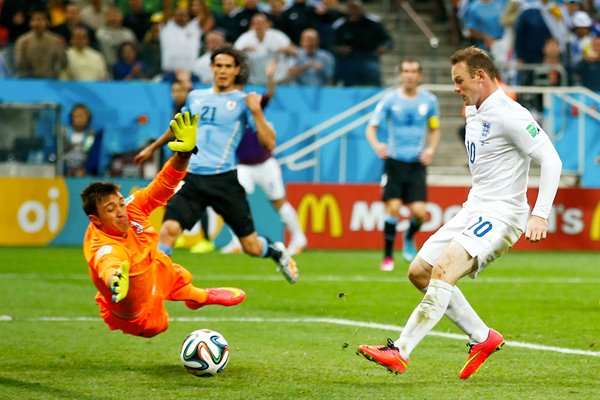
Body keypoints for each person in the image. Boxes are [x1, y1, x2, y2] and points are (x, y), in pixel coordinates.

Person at [357, 46, 562, 379]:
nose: (455, 88)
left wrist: (540, 214)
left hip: (502, 214)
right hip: (474, 207)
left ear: (480, 76)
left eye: (459, 80)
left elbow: (551, 160)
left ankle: (400, 350)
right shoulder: (474, 109)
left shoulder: (511, 114)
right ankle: (483, 337)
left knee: (444, 269)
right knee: (419, 272)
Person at [134, 46, 299, 284]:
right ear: (211, 68)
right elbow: (178, 125)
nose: (222, 71)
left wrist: (256, 112)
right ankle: (150, 285)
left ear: (237, 70)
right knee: (168, 230)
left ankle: (276, 252)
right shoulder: (195, 97)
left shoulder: (244, 101)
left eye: (228, 66)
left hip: (224, 180)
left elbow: (269, 142)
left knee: (251, 246)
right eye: (218, 66)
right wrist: (152, 147)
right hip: (191, 177)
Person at [81, 111, 246, 338]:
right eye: (111, 210)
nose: (121, 212)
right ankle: (191, 296)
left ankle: (198, 296)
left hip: (152, 268)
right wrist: (115, 280)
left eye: (120, 203)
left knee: (170, 272)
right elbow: (107, 262)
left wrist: (184, 154)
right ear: (95, 220)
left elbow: (163, 185)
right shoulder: (102, 245)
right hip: (132, 308)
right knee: (158, 326)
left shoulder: (131, 208)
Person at [223, 60, 308, 256]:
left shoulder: (251, 102)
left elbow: (270, 93)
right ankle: (236, 241)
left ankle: (299, 238)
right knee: (231, 201)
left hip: (265, 163)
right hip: (243, 166)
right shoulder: (224, 108)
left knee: (279, 202)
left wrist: (270, 77)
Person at [366, 59, 440, 271]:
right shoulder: (389, 100)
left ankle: (408, 237)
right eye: (406, 71)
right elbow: (371, 127)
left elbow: (434, 128)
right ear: (400, 75)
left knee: (419, 213)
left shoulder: (429, 101)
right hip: (395, 162)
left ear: (420, 75)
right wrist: (377, 146)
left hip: (416, 163)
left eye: (414, 71)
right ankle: (388, 257)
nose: (409, 75)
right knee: (394, 208)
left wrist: (431, 149)